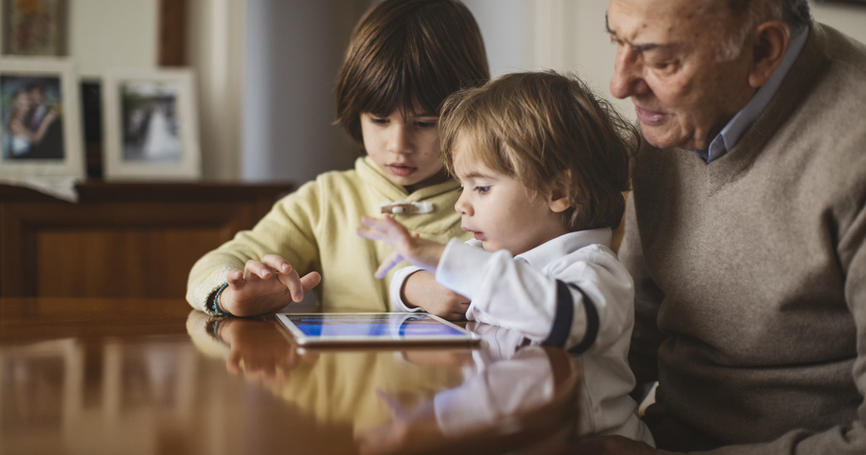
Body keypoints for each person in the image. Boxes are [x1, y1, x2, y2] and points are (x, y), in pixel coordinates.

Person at [575, 0, 866, 453]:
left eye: (661, 59)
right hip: (663, 433)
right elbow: (636, 326)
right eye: (617, 41)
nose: (619, 84)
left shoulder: (854, 148)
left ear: (764, 51)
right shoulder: (678, 116)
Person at [357, 71, 654, 444]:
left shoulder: (591, 269)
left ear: (558, 191)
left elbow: (567, 320)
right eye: (463, 185)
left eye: (481, 187)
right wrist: (417, 286)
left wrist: (444, 259)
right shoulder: (488, 254)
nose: (461, 204)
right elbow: (404, 279)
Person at [186, 0, 489, 317]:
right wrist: (231, 293)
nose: (398, 146)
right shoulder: (324, 201)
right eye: (379, 120)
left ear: (469, 112)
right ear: (355, 111)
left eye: (424, 123)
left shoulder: (499, 201)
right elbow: (211, 267)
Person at [5, 89, 58, 160]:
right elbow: (36, 139)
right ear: (17, 104)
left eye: (28, 99)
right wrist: (47, 120)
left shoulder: (24, 119)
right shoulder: (15, 123)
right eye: (25, 99)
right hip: (20, 159)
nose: (29, 101)